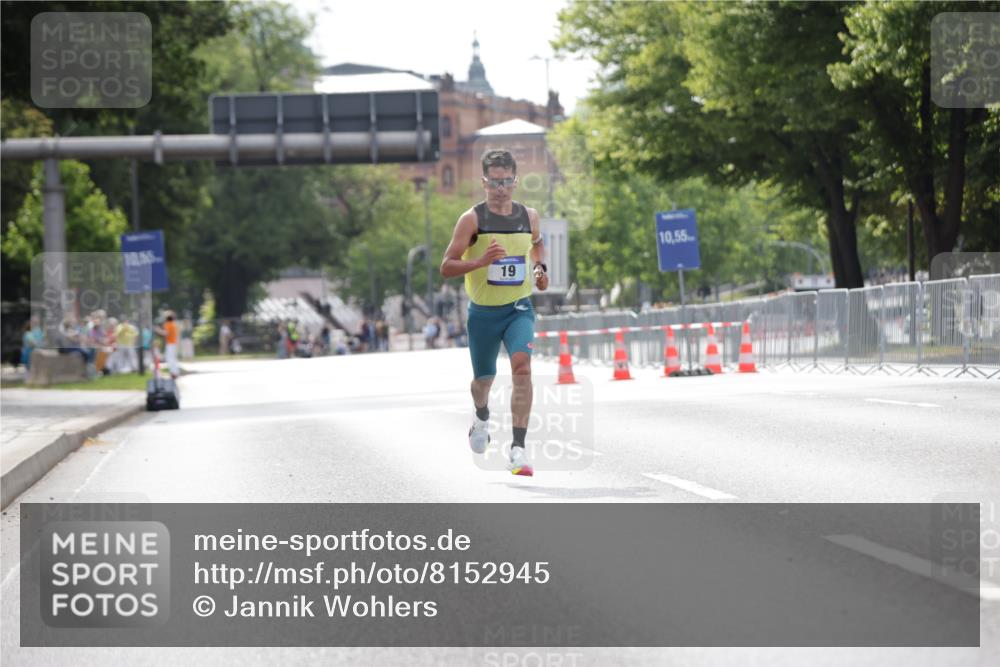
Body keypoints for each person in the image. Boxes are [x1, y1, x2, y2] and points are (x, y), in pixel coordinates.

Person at [440, 148, 549, 476]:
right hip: (484, 313)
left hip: (518, 308)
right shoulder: (471, 219)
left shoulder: (529, 216)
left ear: (516, 181)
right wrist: (480, 262)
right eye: (494, 182)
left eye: (506, 181)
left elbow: (538, 244)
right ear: (484, 182)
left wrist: (540, 268)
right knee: (482, 381)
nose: (500, 188)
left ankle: (518, 448)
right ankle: (481, 416)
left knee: (522, 368)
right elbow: (446, 266)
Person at [155, 311, 180, 379]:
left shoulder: (168, 324)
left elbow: (166, 333)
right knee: (172, 358)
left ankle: (173, 373)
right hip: (173, 343)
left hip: (170, 343)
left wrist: (158, 330)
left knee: (170, 358)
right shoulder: (173, 324)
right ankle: (175, 372)